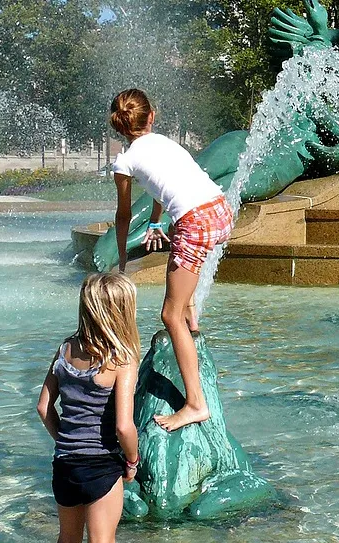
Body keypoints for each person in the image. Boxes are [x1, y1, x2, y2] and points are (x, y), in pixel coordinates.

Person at [109, 88, 233, 431]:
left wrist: (122, 261)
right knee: (179, 273)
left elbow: (122, 216)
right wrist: (154, 221)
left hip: (194, 221)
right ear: (151, 117)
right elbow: (164, 185)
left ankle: (195, 404)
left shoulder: (124, 162)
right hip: (220, 210)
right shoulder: (164, 142)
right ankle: (192, 325)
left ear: (119, 129)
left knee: (168, 313)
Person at [36, 273, 141, 543]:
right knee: (101, 539)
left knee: (68, 538)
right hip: (101, 465)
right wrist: (132, 462)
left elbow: (43, 407)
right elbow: (123, 426)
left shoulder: (65, 349)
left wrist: (66, 442)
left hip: (65, 464)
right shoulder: (121, 359)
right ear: (123, 311)